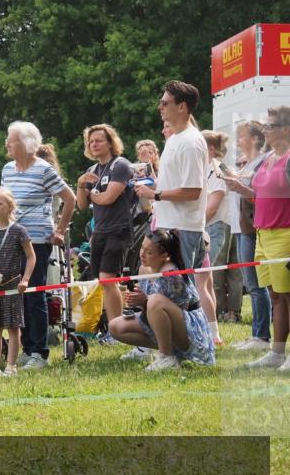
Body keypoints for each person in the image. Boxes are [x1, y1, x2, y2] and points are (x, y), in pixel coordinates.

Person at [134, 82, 217, 346]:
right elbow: (174, 185)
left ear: (182, 107)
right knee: (163, 290)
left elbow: (193, 191)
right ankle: (168, 345)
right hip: (169, 224)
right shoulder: (174, 139)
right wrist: (152, 187)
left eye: (165, 103)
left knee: (179, 294)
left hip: (183, 228)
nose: (160, 107)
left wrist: (155, 195)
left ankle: (187, 348)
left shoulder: (192, 142)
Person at [1, 121, 76, 370]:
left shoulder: (44, 169)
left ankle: (39, 353)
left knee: (34, 294)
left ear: (26, 143)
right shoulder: (7, 169)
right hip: (12, 240)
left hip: (37, 240)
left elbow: (69, 198)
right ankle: (26, 348)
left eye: (11, 140)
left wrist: (60, 230)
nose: (7, 144)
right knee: (18, 296)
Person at [224, 107, 290, 371]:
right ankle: (276, 352)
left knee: (288, 297)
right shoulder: (267, 159)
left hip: (285, 234)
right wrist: (242, 189)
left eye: (270, 126)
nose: (265, 131)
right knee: (276, 297)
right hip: (263, 233)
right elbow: (261, 196)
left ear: (286, 129)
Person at [108, 230, 215, 371]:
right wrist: (140, 302)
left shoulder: (171, 275)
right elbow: (154, 313)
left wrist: (145, 301)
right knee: (115, 326)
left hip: (192, 333)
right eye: (142, 248)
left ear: (165, 256)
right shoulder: (144, 270)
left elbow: (178, 310)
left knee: (155, 301)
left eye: (149, 252)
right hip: (164, 320)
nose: (142, 254)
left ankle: (167, 357)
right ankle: (153, 351)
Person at [75, 124, 134, 324]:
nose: (94, 145)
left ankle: (116, 326)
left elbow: (108, 198)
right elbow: (82, 206)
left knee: (108, 279)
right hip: (98, 231)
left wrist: (91, 193)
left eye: (98, 140)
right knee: (104, 281)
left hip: (118, 230)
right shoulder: (92, 169)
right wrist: (80, 184)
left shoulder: (121, 165)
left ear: (110, 142)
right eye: (91, 142)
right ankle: (116, 323)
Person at [0, 187, 36, 377]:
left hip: (12, 287)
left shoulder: (19, 231)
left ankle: (11, 366)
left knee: (13, 327)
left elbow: (31, 257)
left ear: (10, 206)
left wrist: (25, 279)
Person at [226, 120, 271, 351]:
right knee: (253, 285)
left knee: (256, 285)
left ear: (254, 138)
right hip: (241, 228)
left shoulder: (263, 161)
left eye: (241, 136)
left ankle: (261, 336)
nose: (238, 140)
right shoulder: (248, 164)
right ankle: (258, 334)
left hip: (251, 229)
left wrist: (239, 184)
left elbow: (258, 193)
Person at [203, 131, 237, 331]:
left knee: (204, 277)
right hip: (208, 226)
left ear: (211, 149)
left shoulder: (216, 169)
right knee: (206, 278)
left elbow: (213, 205)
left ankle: (210, 327)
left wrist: (194, 225)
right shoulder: (204, 168)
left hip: (215, 227)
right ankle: (210, 324)